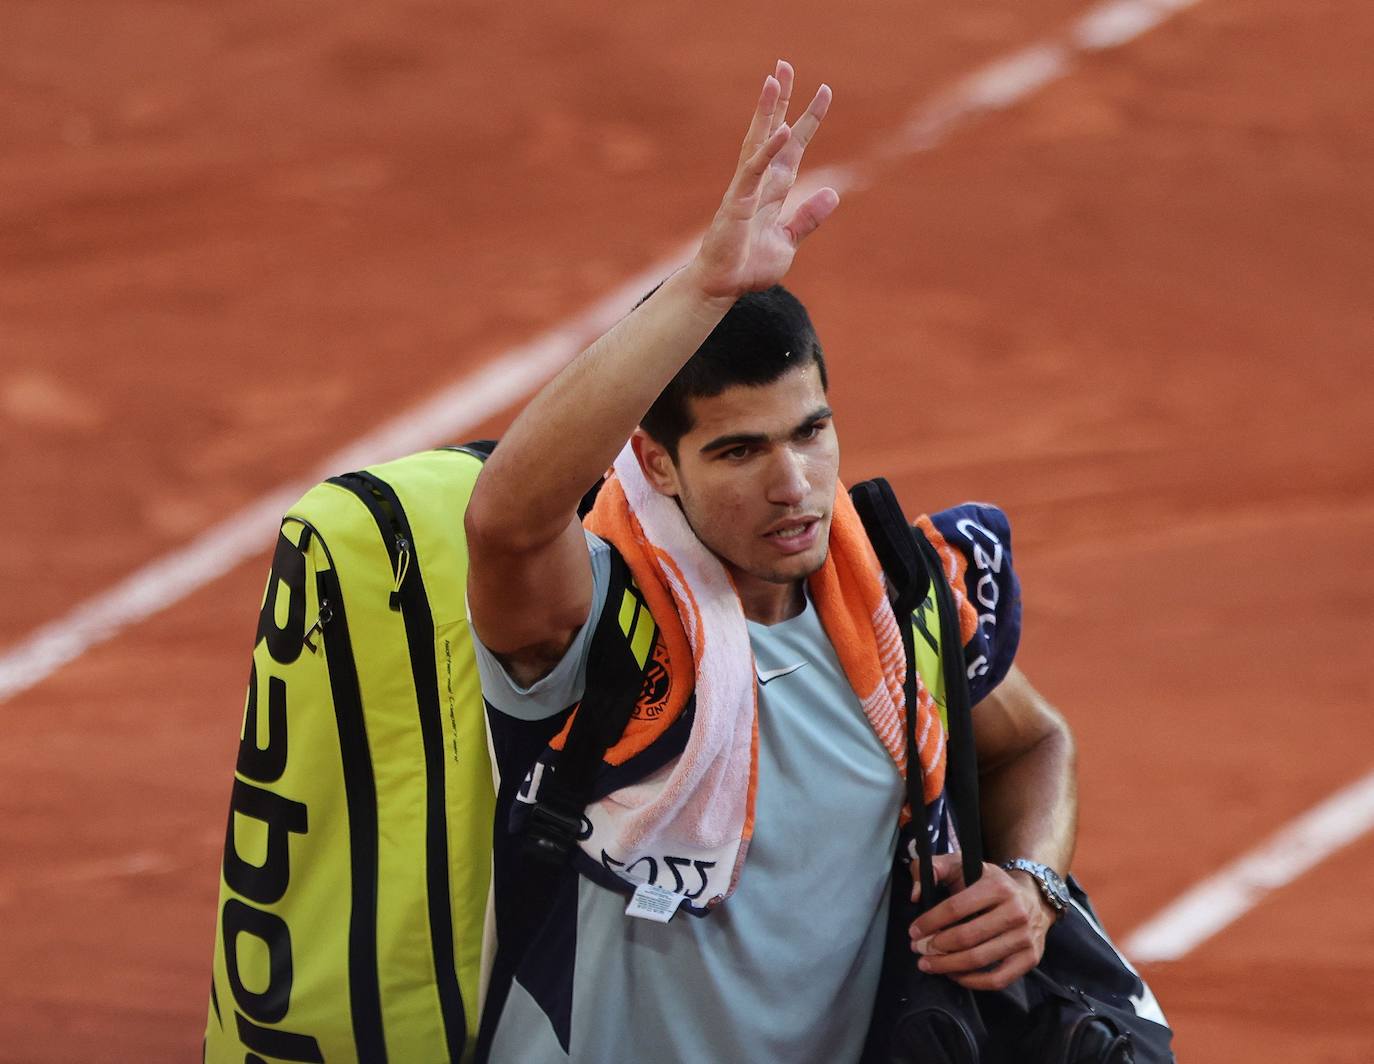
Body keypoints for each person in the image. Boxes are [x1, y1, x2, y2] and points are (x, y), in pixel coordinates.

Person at [463, 61, 1077, 1063]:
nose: (793, 483)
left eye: (811, 432)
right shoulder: (608, 630)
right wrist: (703, 286)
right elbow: (506, 524)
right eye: (740, 451)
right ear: (657, 461)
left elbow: (1033, 739)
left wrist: (1033, 882)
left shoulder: (892, 605)